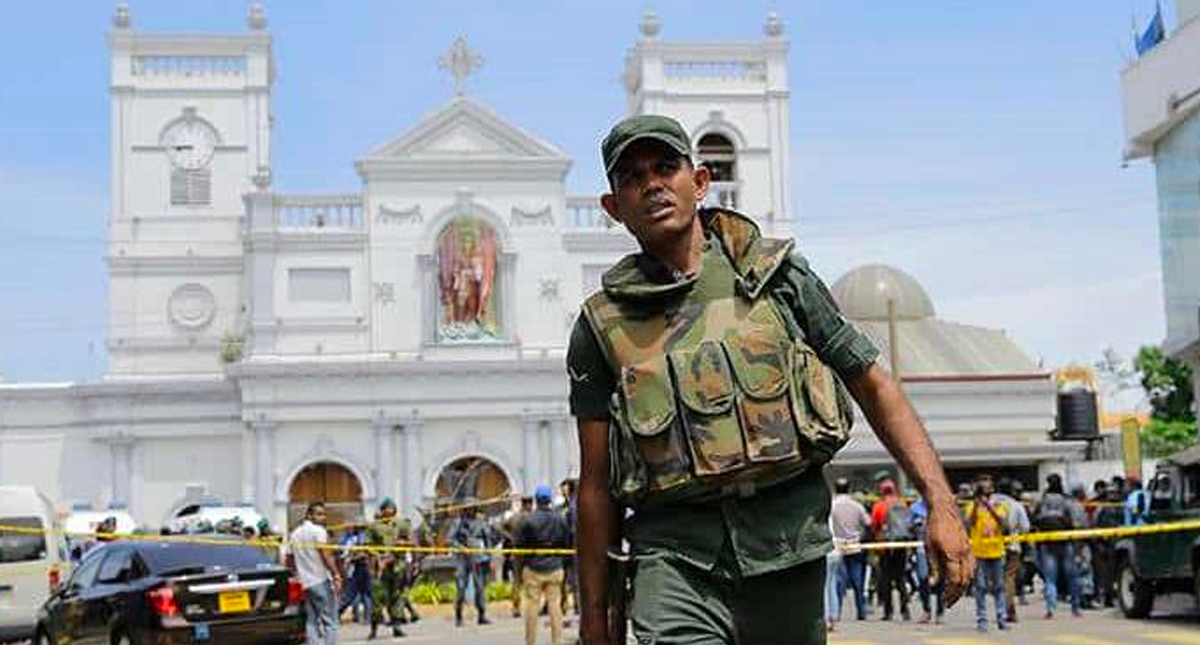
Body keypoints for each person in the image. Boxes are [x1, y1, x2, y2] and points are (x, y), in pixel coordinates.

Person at [568, 115, 974, 645]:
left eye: (667, 167)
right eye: (632, 177)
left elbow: (873, 384)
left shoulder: (778, 278)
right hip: (673, 560)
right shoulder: (601, 325)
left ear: (701, 181)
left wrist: (941, 504)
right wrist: (594, 618)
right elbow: (595, 483)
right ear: (613, 208)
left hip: (786, 551)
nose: (652, 184)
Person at [517, 484, 572, 645]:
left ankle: (531, 641)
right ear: (549, 500)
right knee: (555, 606)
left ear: (536, 500)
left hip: (533, 566)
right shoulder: (559, 518)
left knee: (532, 607)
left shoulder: (528, 519)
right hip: (555, 566)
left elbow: (520, 544)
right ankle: (557, 641)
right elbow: (566, 541)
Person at [288, 502, 342, 645]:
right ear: (309, 515)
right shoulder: (318, 531)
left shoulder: (294, 534)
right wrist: (336, 574)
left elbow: (289, 558)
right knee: (331, 621)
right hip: (320, 581)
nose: (323, 517)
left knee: (311, 620)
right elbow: (326, 555)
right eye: (319, 514)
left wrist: (297, 574)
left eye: (324, 514)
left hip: (305, 583)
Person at [1033, 474, 1081, 618]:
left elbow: (1034, 520)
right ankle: (1075, 607)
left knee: (1050, 579)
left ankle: (1051, 609)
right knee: (1072, 577)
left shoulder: (1042, 501)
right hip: (1066, 542)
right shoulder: (1067, 500)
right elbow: (1076, 521)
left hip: (1047, 543)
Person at [965, 476, 1008, 632]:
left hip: (996, 550)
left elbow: (1003, 523)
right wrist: (977, 506)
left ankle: (1001, 618)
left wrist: (989, 507)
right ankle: (982, 620)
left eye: (989, 489)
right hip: (979, 552)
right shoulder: (972, 506)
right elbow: (970, 523)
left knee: (999, 587)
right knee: (980, 587)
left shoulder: (999, 505)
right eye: (983, 489)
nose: (986, 492)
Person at [366, 498, 409, 639]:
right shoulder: (374, 526)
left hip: (397, 566)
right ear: (382, 510)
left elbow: (409, 542)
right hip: (380, 567)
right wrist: (379, 556)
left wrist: (402, 544)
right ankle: (373, 630)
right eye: (386, 508)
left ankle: (397, 627)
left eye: (391, 508)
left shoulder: (402, 524)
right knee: (378, 598)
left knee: (396, 597)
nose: (389, 511)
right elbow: (367, 546)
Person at [829, 477, 870, 622]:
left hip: (837, 546)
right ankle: (861, 611)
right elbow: (868, 522)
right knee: (858, 580)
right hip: (855, 545)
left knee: (839, 581)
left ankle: (836, 612)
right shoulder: (857, 505)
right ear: (849, 488)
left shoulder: (832, 505)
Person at [871, 479, 912, 621]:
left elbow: (874, 525)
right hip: (901, 544)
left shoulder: (879, 506)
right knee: (900, 578)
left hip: (886, 547)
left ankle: (888, 612)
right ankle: (905, 610)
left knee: (886, 579)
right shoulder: (902, 503)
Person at [449, 501, 494, 627]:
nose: (470, 511)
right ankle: (458, 615)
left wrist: (489, 557)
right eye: (468, 508)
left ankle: (481, 614)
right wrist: (462, 547)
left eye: (472, 508)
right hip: (462, 558)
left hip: (478, 557)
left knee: (480, 587)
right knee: (461, 587)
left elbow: (488, 540)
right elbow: (450, 539)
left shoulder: (481, 522)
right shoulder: (458, 523)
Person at [992, 477, 1029, 623]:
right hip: (1012, 547)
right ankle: (1007, 610)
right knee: (1009, 578)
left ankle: (1004, 610)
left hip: (988, 546)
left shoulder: (989, 503)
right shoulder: (1016, 505)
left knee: (995, 579)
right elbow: (1025, 527)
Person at [909, 496, 945, 624]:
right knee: (922, 577)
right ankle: (926, 611)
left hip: (939, 549)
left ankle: (940, 612)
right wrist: (916, 525)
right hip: (922, 549)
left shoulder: (941, 507)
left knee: (940, 580)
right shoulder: (915, 508)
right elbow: (909, 528)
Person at [503, 496, 535, 618]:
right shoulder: (532, 517)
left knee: (517, 581)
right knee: (533, 580)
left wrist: (510, 537)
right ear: (529, 504)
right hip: (531, 552)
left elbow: (502, 527)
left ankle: (516, 608)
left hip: (517, 551)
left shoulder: (515, 517)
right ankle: (531, 606)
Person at [338, 523, 373, 625]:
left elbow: (362, 553)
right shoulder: (356, 539)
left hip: (362, 568)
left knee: (365, 594)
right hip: (357, 568)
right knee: (353, 594)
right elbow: (358, 554)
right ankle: (338, 613)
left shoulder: (359, 538)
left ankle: (367, 618)